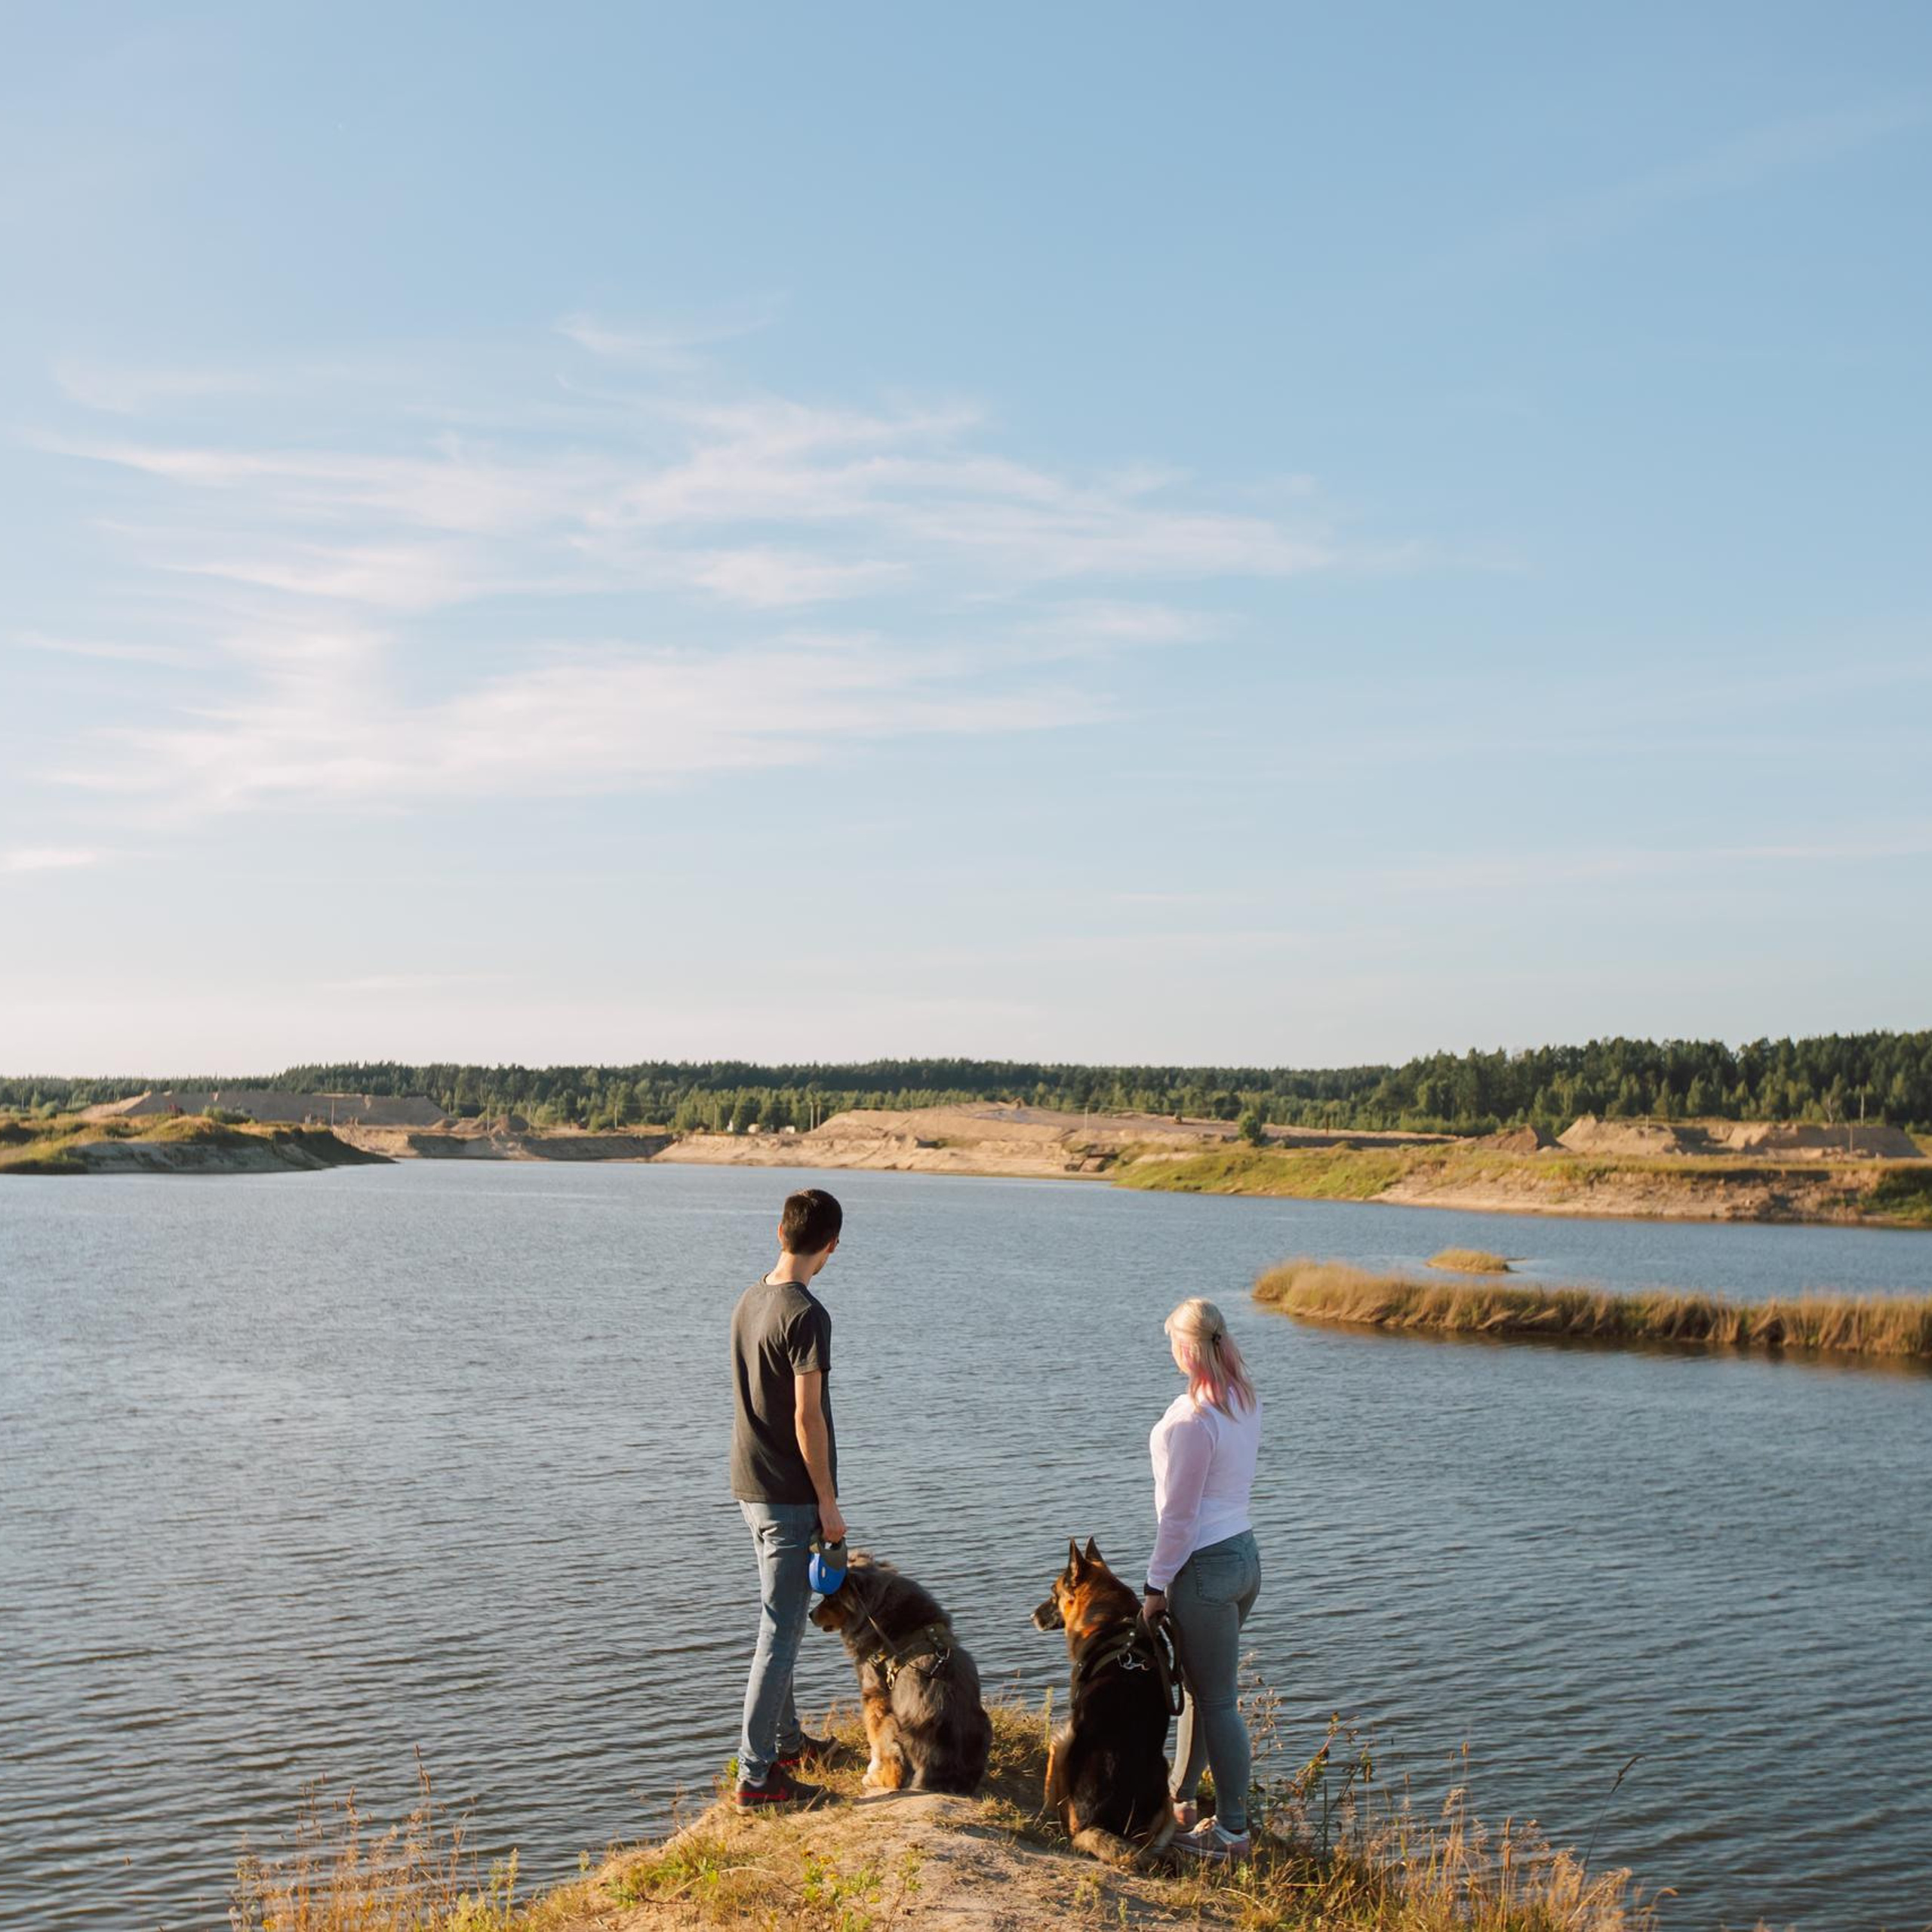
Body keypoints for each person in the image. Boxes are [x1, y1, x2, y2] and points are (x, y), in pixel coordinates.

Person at [728, 1187, 847, 1809]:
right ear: (830, 1246)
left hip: (750, 1485)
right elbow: (808, 1419)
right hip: (790, 1496)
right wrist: (827, 1502)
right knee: (780, 1632)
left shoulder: (750, 1299)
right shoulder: (806, 1314)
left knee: (784, 1620)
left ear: (780, 1230)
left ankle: (788, 1742)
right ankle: (756, 1777)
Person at [1140, 1296, 1263, 1860]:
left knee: (1216, 1702)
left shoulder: (1193, 1420)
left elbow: (1179, 1517)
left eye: (1172, 1341)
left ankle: (1232, 1831)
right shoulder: (1239, 1398)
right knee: (1201, 1693)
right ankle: (1184, 1800)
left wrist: (1154, 1587)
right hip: (1243, 1557)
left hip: (1204, 1568)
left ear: (1186, 1348)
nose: (1169, 1349)